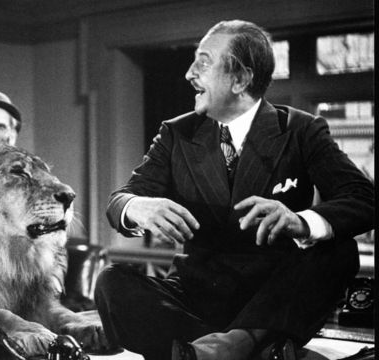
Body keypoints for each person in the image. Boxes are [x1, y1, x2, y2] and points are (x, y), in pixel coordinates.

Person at [95, 20, 374, 360]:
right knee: (112, 282)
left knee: (340, 249)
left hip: (272, 297)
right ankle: (245, 351)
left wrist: (301, 222)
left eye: (204, 61)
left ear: (241, 79)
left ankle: (226, 347)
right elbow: (119, 201)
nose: (188, 74)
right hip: (196, 295)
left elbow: (363, 198)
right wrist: (136, 207)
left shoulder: (301, 130)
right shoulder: (176, 133)